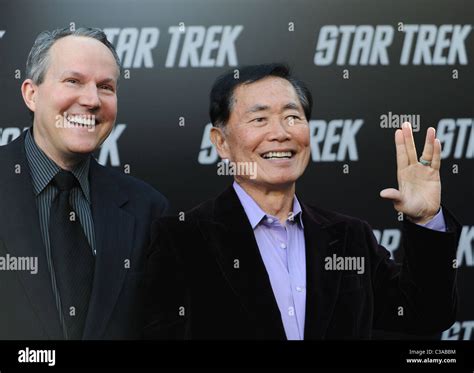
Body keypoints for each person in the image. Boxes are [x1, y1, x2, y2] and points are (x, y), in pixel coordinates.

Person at [143, 63, 460, 340]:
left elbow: (425, 315)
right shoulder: (181, 240)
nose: (280, 133)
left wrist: (426, 220)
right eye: (259, 119)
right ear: (221, 142)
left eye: (292, 116)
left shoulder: (350, 238)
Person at [0, 27, 168, 340]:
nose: (91, 100)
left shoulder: (148, 209)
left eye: (106, 87)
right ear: (31, 94)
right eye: (73, 81)